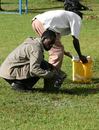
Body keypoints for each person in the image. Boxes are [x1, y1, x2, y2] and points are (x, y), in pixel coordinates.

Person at [0, 29, 66, 91]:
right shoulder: (36, 49)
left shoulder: (35, 42)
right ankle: (20, 85)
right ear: (43, 39)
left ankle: (21, 84)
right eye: (50, 42)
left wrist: (54, 69)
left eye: (53, 43)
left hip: (7, 70)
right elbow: (34, 69)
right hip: (10, 72)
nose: (51, 45)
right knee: (42, 67)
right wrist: (51, 75)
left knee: (45, 65)